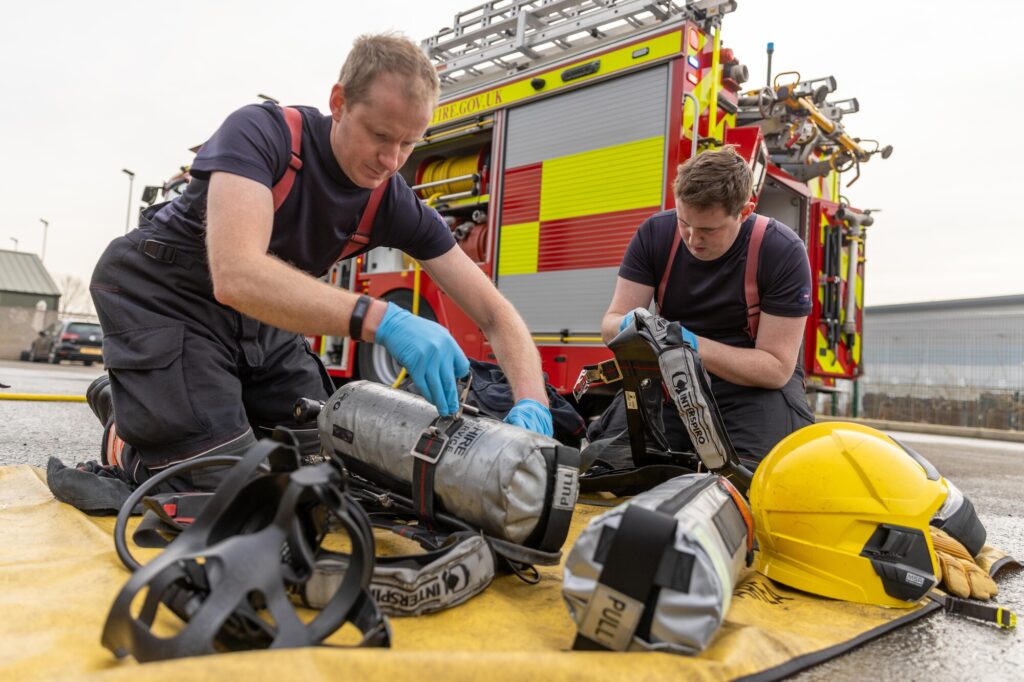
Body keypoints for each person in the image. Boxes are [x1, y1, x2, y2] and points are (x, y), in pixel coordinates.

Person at [48, 34, 552, 511]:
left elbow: (496, 313)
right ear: (338, 102)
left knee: (329, 470)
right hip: (167, 298)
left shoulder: (392, 200)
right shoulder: (262, 133)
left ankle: (178, 408)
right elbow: (237, 273)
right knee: (221, 494)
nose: (391, 160)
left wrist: (533, 409)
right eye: (380, 135)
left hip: (260, 323)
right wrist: (386, 320)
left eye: (408, 143)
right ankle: (127, 420)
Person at [595, 146, 814, 468]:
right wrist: (638, 325)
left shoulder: (781, 251)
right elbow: (610, 324)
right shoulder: (655, 235)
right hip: (672, 376)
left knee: (760, 477)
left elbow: (776, 368)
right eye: (685, 222)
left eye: (709, 230)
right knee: (612, 467)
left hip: (752, 385)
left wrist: (685, 343)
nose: (692, 239)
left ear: (745, 211)